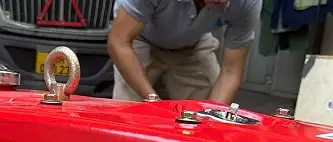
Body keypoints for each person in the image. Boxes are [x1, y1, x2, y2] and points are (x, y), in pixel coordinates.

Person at [108, 0, 262, 104]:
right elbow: (119, 41)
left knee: (204, 111)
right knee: (128, 113)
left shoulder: (247, 2)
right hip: (140, 38)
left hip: (193, 43)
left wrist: (211, 118)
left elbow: (231, 71)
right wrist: (153, 101)